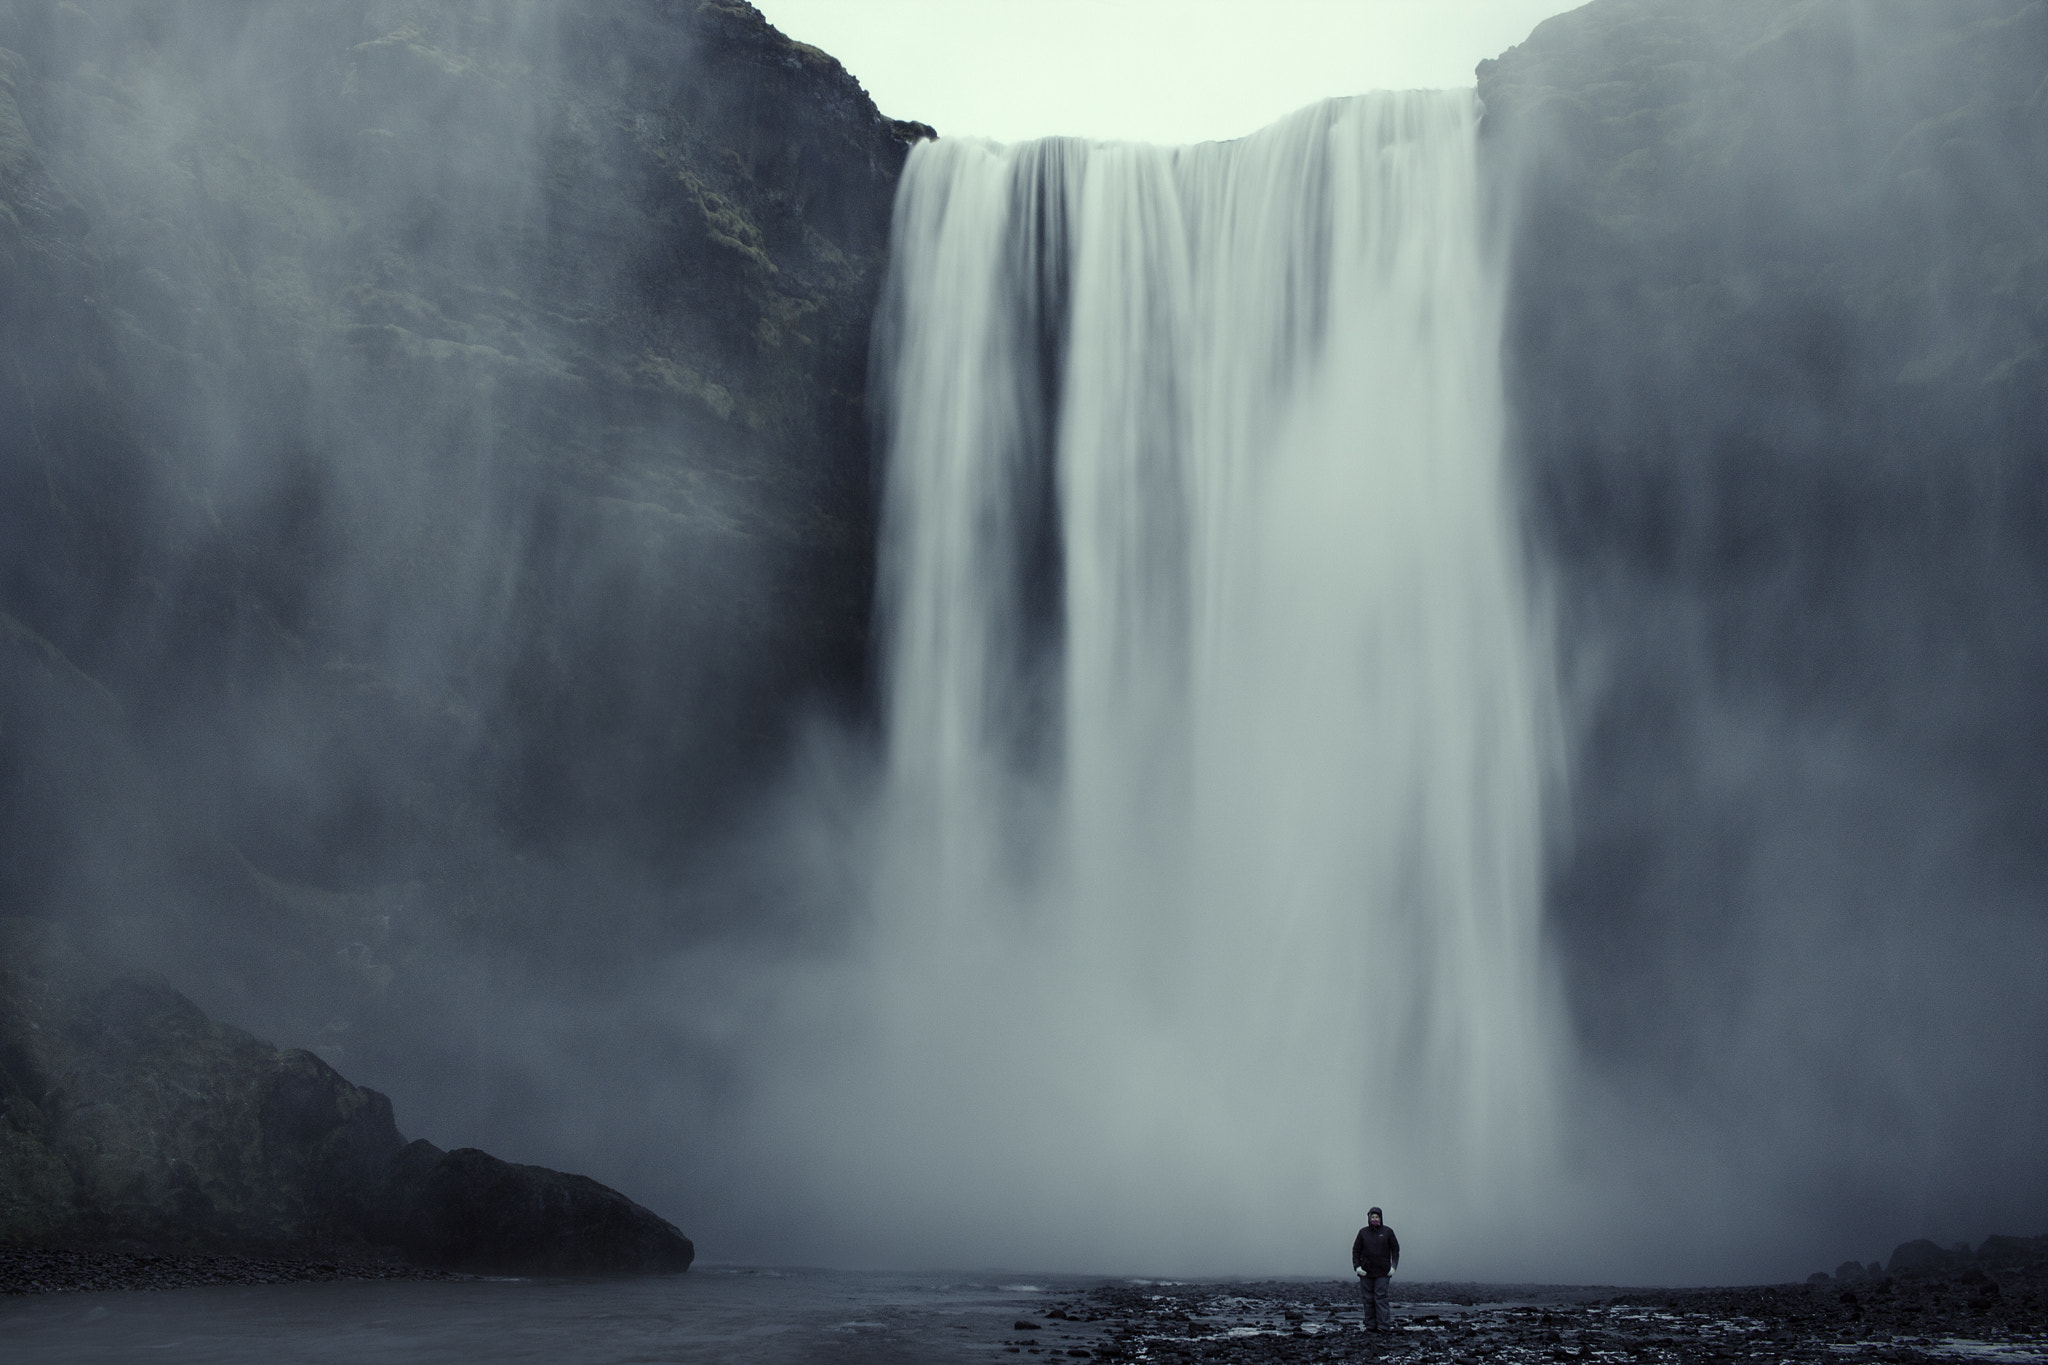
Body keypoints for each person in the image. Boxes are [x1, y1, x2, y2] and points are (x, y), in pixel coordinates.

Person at [1352, 1207, 1400, 1332]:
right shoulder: (1363, 1232)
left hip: (1383, 1272)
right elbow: (1356, 1250)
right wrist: (1357, 1267)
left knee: (1381, 1297)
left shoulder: (1388, 1232)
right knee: (1368, 1299)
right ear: (1369, 1218)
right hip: (1366, 1272)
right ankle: (1370, 1326)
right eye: (1372, 1217)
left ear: (1381, 1218)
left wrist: (1393, 1267)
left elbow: (1395, 1250)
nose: (1375, 1219)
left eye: (1377, 1217)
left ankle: (1383, 1326)